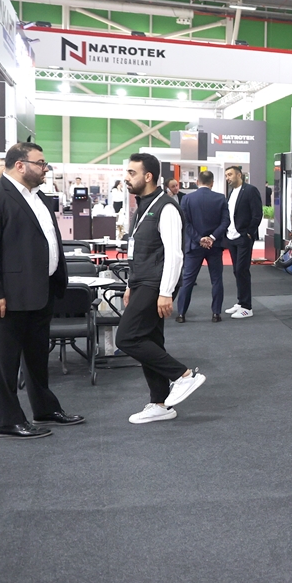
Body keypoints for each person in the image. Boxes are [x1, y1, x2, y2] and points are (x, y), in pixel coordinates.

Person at [0, 142, 84, 439]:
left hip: (40, 291)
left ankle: (44, 409)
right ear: (20, 165)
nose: (46, 168)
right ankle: (7, 422)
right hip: (5, 296)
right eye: (40, 163)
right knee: (4, 363)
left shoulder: (38, 197)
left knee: (36, 358)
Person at [118, 152, 205, 424]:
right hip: (142, 281)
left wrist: (166, 292)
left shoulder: (166, 207)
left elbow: (174, 254)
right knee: (151, 340)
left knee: (127, 338)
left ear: (148, 176)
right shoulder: (143, 205)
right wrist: (130, 285)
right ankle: (160, 403)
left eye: (132, 173)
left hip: (156, 283)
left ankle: (183, 376)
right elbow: (140, 249)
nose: (126, 177)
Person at [175, 170, 229, 323]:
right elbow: (225, 222)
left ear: (197, 182)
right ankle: (216, 314)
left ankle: (181, 314)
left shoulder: (186, 198)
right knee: (216, 280)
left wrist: (199, 239)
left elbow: (185, 223)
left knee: (188, 280)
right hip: (215, 246)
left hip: (194, 246)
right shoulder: (220, 198)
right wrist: (212, 237)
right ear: (212, 183)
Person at [223, 166, 262, 320]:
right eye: (226, 175)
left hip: (243, 237)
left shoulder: (250, 190)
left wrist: (249, 232)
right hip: (231, 237)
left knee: (242, 270)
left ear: (239, 175)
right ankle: (241, 302)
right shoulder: (231, 193)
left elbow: (257, 214)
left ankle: (247, 307)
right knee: (236, 271)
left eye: (230, 174)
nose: (227, 178)